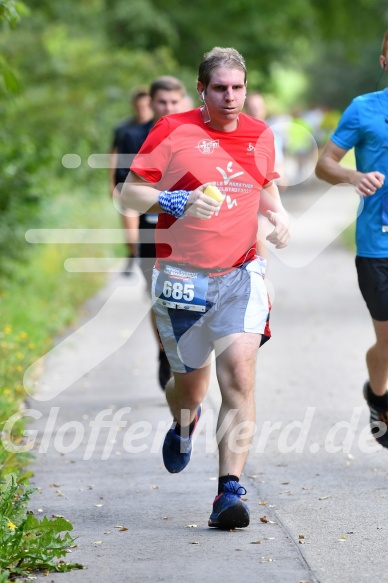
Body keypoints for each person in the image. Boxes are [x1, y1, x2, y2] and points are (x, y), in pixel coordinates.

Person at [122, 47, 290, 530]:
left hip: (242, 272)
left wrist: (277, 216)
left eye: (238, 87)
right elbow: (128, 192)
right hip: (182, 275)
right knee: (190, 389)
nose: (231, 97)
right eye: (220, 88)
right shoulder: (174, 131)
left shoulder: (260, 135)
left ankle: (228, 492)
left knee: (238, 374)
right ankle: (183, 422)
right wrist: (172, 197)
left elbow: (263, 186)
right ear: (202, 89)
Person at [315, 30, 388, 448]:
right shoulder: (364, 109)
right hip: (378, 247)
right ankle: (378, 396)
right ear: (383, 62)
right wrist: (354, 176)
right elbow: (325, 164)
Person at [116, 76, 186, 390]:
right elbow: (124, 193)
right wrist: (130, 237)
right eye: (162, 102)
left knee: (185, 298)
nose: (168, 108)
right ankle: (164, 352)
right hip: (150, 233)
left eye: (174, 102)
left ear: (183, 101)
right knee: (158, 299)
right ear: (151, 103)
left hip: (188, 236)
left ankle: (180, 353)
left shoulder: (194, 136)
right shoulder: (133, 138)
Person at [110, 88, 153, 272]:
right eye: (139, 106)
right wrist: (111, 184)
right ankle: (134, 255)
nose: (142, 109)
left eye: (145, 105)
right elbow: (113, 155)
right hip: (127, 185)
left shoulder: (158, 127)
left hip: (152, 188)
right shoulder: (123, 129)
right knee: (131, 232)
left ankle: (145, 262)